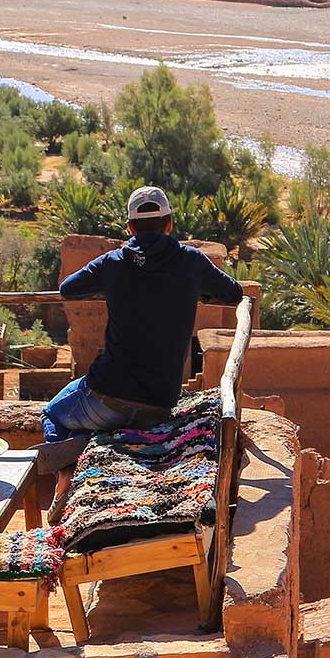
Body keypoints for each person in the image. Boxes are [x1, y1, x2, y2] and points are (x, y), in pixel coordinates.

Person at [40, 185, 245, 457]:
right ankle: (79, 449)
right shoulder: (191, 262)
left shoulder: (113, 263)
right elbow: (234, 293)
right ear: (169, 224)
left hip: (107, 398)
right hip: (159, 404)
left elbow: (68, 288)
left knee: (52, 414)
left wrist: (109, 283)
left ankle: (63, 470)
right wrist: (196, 288)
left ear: (130, 228)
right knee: (81, 415)